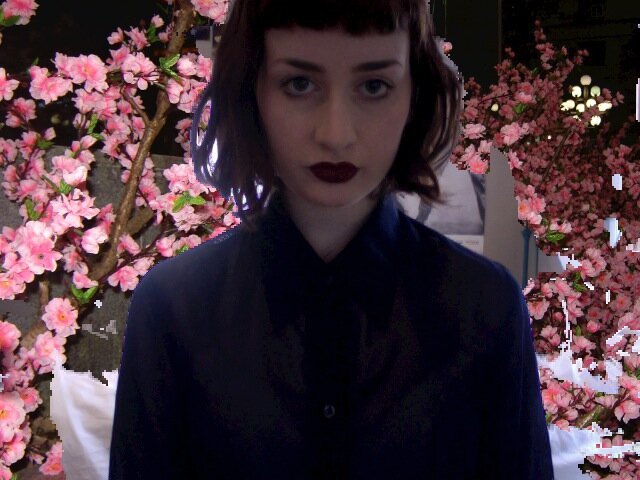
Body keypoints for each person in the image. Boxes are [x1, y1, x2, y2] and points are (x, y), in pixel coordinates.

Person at [108, 0, 555, 478]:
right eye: (299, 84)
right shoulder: (173, 307)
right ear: (251, 91)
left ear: (415, 95)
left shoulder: (485, 307)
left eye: (374, 85)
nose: (336, 134)